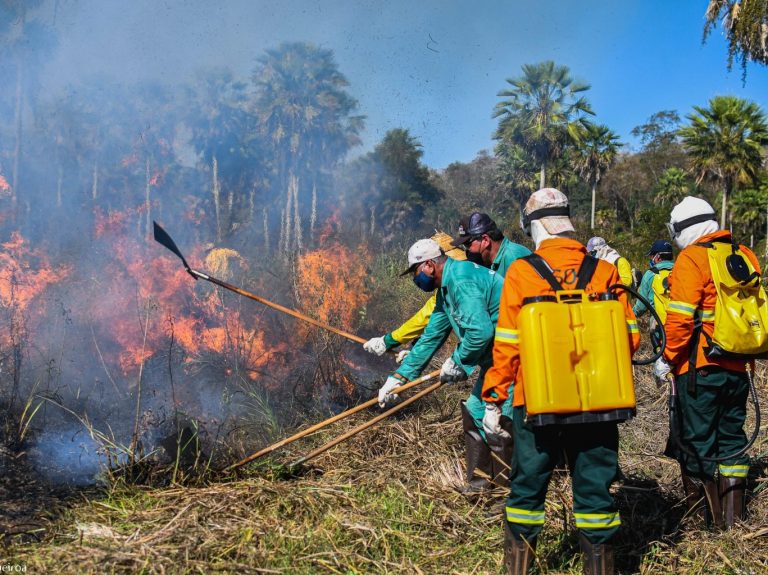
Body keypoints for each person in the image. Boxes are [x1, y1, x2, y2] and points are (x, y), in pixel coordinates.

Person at [483, 188, 640, 575]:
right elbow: (631, 339)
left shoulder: (521, 272)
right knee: (595, 493)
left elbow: (507, 345)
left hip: (537, 404)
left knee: (527, 490)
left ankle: (519, 568)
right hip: (599, 403)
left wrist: (492, 399)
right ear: (567, 224)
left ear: (533, 227)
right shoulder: (604, 272)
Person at [654, 196, 757, 529]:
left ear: (685, 229)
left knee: (695, 443)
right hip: (738, 368)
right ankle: (733, 523)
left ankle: (701, 525)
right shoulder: (745, 255)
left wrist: (667, 359)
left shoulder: (692, 259)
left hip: (699, 369)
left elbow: (681, 320)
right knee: (731, 441)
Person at [377, 237, 507, 491]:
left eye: (415, 272)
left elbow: (481, 332)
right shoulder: (446, 288)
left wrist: (457, 361)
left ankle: (507, 493)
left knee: (500, 421)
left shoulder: (460, 280)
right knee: (476, 411)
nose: (416, 279)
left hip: (514, 359)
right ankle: (481, 487)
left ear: (428, 266)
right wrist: (399, 378)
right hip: (496, 360)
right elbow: (431, 336)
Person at [450, 211, 531, 272]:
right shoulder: (490, 263)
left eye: (468, 244)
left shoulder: (513, 258)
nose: (467, 250)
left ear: (485, 240)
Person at [633, 240, 674, 355]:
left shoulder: (650, 274)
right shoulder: (681, 270)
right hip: (682, 326)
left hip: (660, 329)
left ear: (658, 257)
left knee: (662, 363)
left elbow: (641, 306)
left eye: (652, 255)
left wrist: (628, 314)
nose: (651, 258)